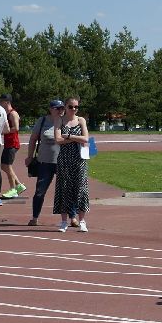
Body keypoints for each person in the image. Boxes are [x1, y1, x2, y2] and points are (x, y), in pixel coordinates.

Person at [52, 98, 91, 232]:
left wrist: (68, 136)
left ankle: (82, 221)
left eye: (76, 107)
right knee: (64, 188)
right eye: (70, 106)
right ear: (66, 107)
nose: (73, 109)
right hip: (64, 159)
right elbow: (57, 139)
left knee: (81, 188)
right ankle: (64, 221)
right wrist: (75, 138)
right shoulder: (59, 120)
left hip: (79, 159)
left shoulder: (81, 120)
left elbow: (86, 138)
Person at [25, 99, 65, 226]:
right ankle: (35, 217)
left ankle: (72, 217)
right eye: (57, 108)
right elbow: (33, 139)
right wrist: (30, 156)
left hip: (62, 161)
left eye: (62, 108)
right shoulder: (42, 121)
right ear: (51, 109)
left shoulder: (66, 121)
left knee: (66, 190)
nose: (60, 111)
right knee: (40, 191)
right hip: (44, 162)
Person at [0, 93, 25, 198]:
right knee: (4, 166)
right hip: (8, 143)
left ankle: (13, 189)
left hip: (13, 143)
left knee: (7, 166)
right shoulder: (6, 113)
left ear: (7, 102)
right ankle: (18, 185)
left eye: (2, 101)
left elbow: (16, 128)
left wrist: (3, 131)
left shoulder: (13, 113)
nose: (0, 103)